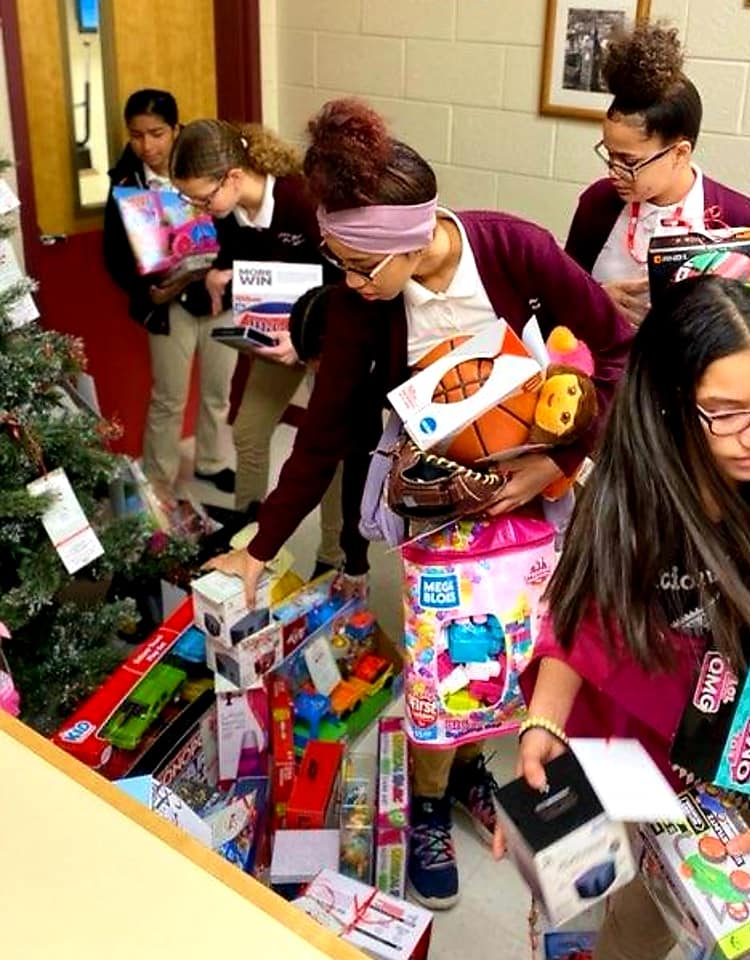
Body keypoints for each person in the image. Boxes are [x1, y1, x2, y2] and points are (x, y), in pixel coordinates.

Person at [206, 97, 634, 910]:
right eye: (338, 264)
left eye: (360, 266)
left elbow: (614, 346)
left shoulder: (515, 249)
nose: (351, 284)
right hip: (433, 498)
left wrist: (556, 459)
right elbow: (327, 426)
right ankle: (430, 801)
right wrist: (260, 549)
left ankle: (470, 771)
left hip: (534, 484)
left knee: (516, 651)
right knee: (444, 662)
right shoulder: (363, 302)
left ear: (409, 240)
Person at [497, 277, 750, 960]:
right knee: (627, 910)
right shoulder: (631, 478)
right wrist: (544, 716)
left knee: (738, 926)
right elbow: (584, 607)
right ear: (665, 404)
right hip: (643, 731)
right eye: (724, 412)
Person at [169, 119, 344, 574]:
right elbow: (239, 254)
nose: (202, 209)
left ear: (233, 177)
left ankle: (333, 554)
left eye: (203, 198)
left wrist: (308, 347)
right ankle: (249, 537)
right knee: (248, 430)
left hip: (327, 337)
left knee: (328, 446)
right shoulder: (230, 213)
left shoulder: (301, 201)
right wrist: (219, 272)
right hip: (275, 336)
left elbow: (348, 281)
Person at [564, 22, 750, 325]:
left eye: (629, 161)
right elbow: (562, 292)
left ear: (680, 153)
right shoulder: (598, 203)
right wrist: (596, 296)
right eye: (609, 154)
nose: (614, 171)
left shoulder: (741, 220)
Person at [103, 89, 236, 498]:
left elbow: (236, 228)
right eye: (137, 135)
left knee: (218, 390)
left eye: (157, 133)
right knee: (168, 397)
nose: (148, 145)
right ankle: (157, 478)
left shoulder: (206, 166)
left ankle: (212, 461)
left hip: (218, 298)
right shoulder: (125, 182)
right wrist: (149, 290)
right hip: (168, 305)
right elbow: (113, 253)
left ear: (176, 130)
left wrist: (223, 271)